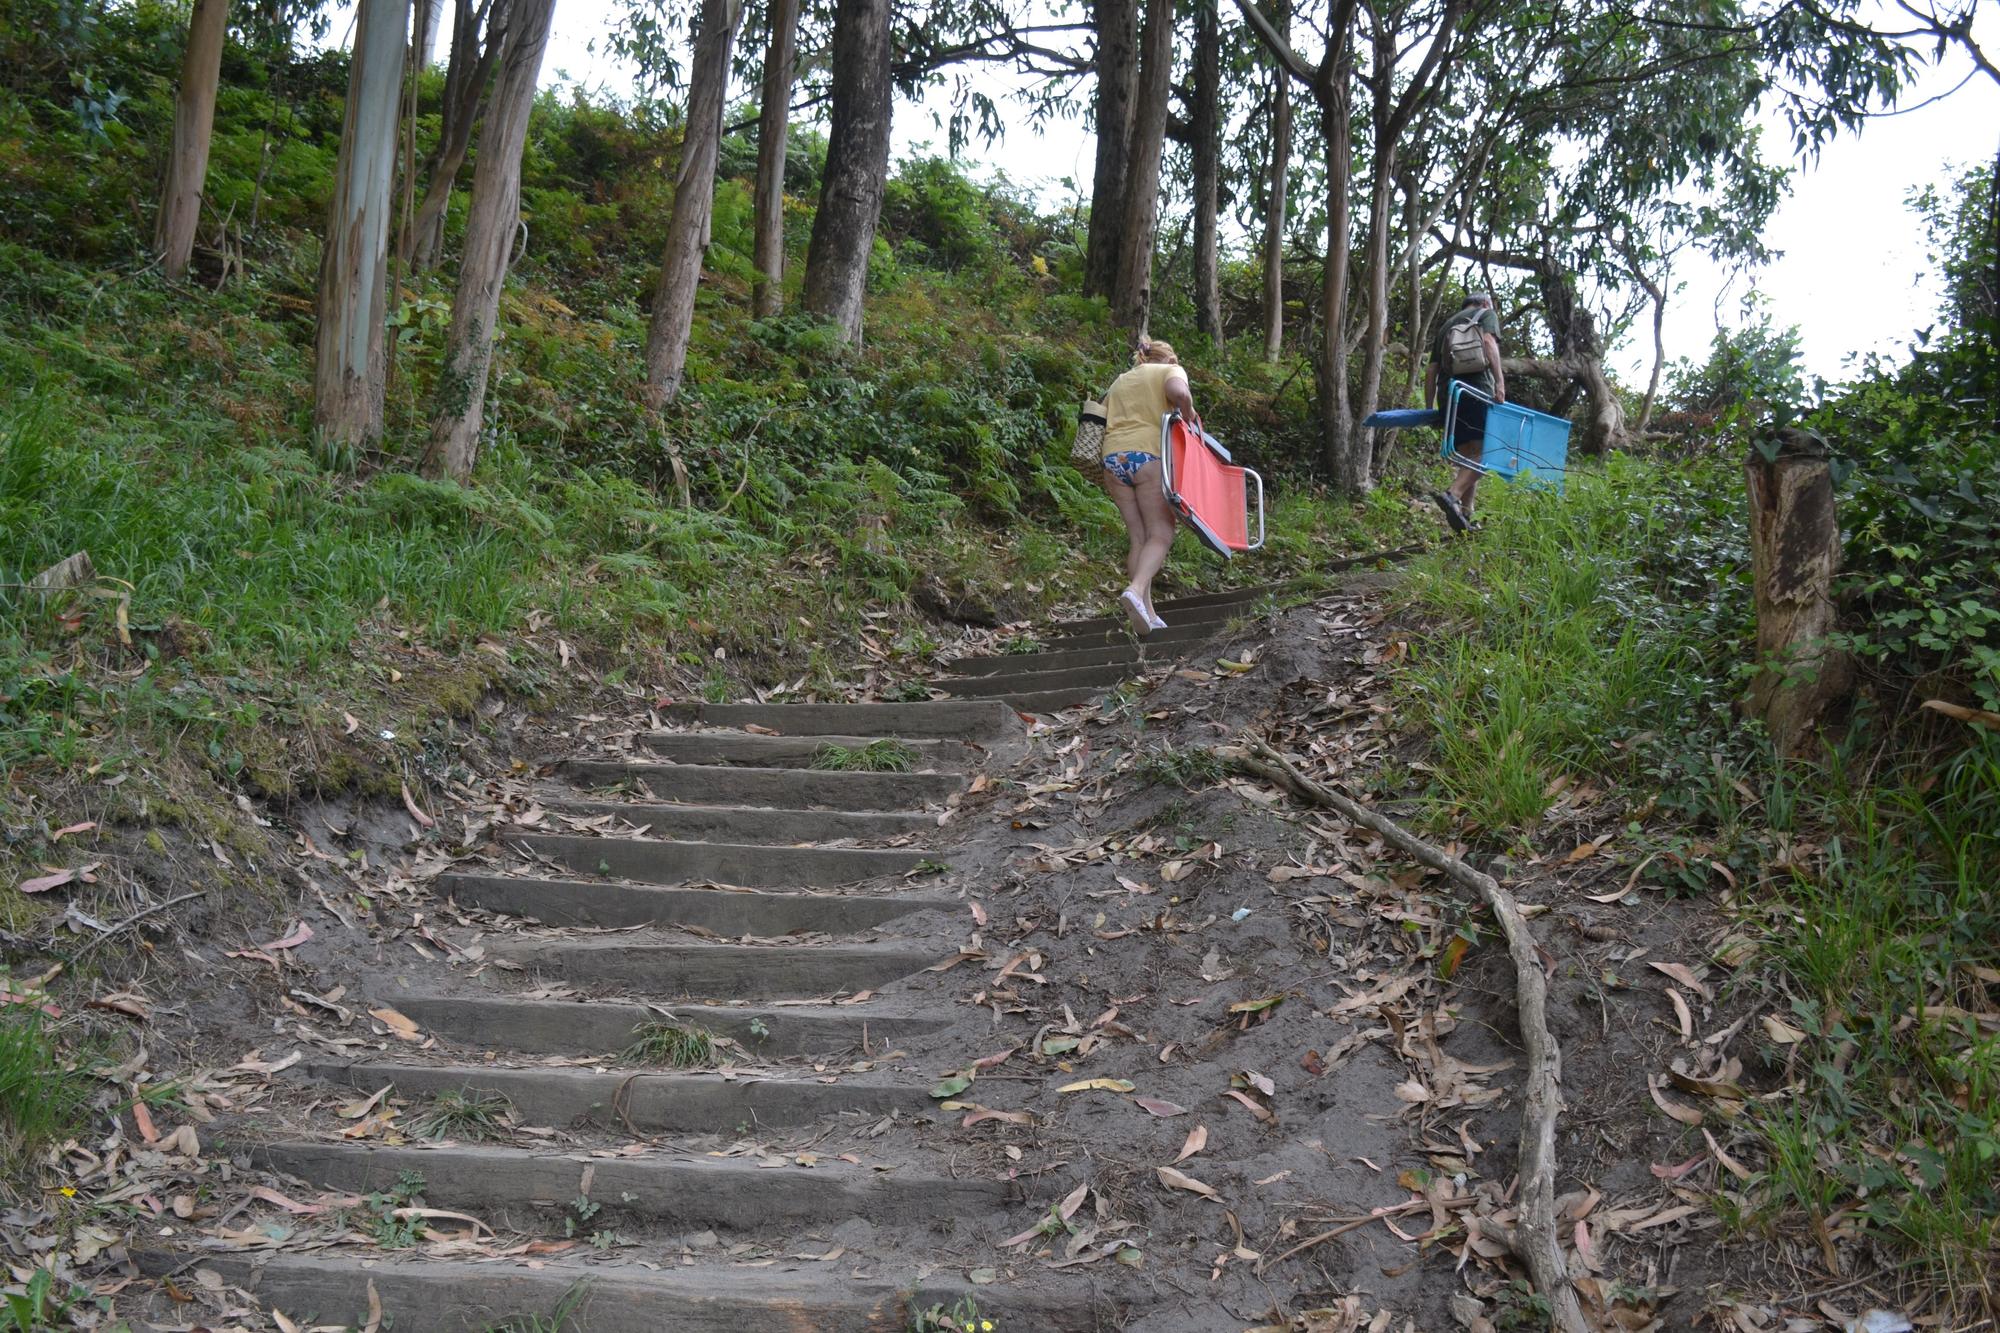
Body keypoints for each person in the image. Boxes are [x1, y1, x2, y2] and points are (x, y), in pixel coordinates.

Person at [1099, 338, 1192, 635]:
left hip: (1112, 459)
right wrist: (1188, 413)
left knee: (1139, 537)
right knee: (1161, 533)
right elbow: (1179, 393)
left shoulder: (1120, 380)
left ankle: (1147, 612)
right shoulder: (1170, 371)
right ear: (1169, 358)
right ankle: (1136, 590)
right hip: (1148, 456)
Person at [1424, 291, 1506, 532]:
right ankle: (1452, 495)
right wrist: (1500, 383)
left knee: (1470, 456)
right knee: (1489, 451)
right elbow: (1489, 343)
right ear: (1483, 303)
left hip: (1449, 395)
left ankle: (1467, 515)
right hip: (1476, 391)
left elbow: (1431, 371)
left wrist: (1430, 408)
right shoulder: (1485, 314)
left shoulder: (1446, 326)